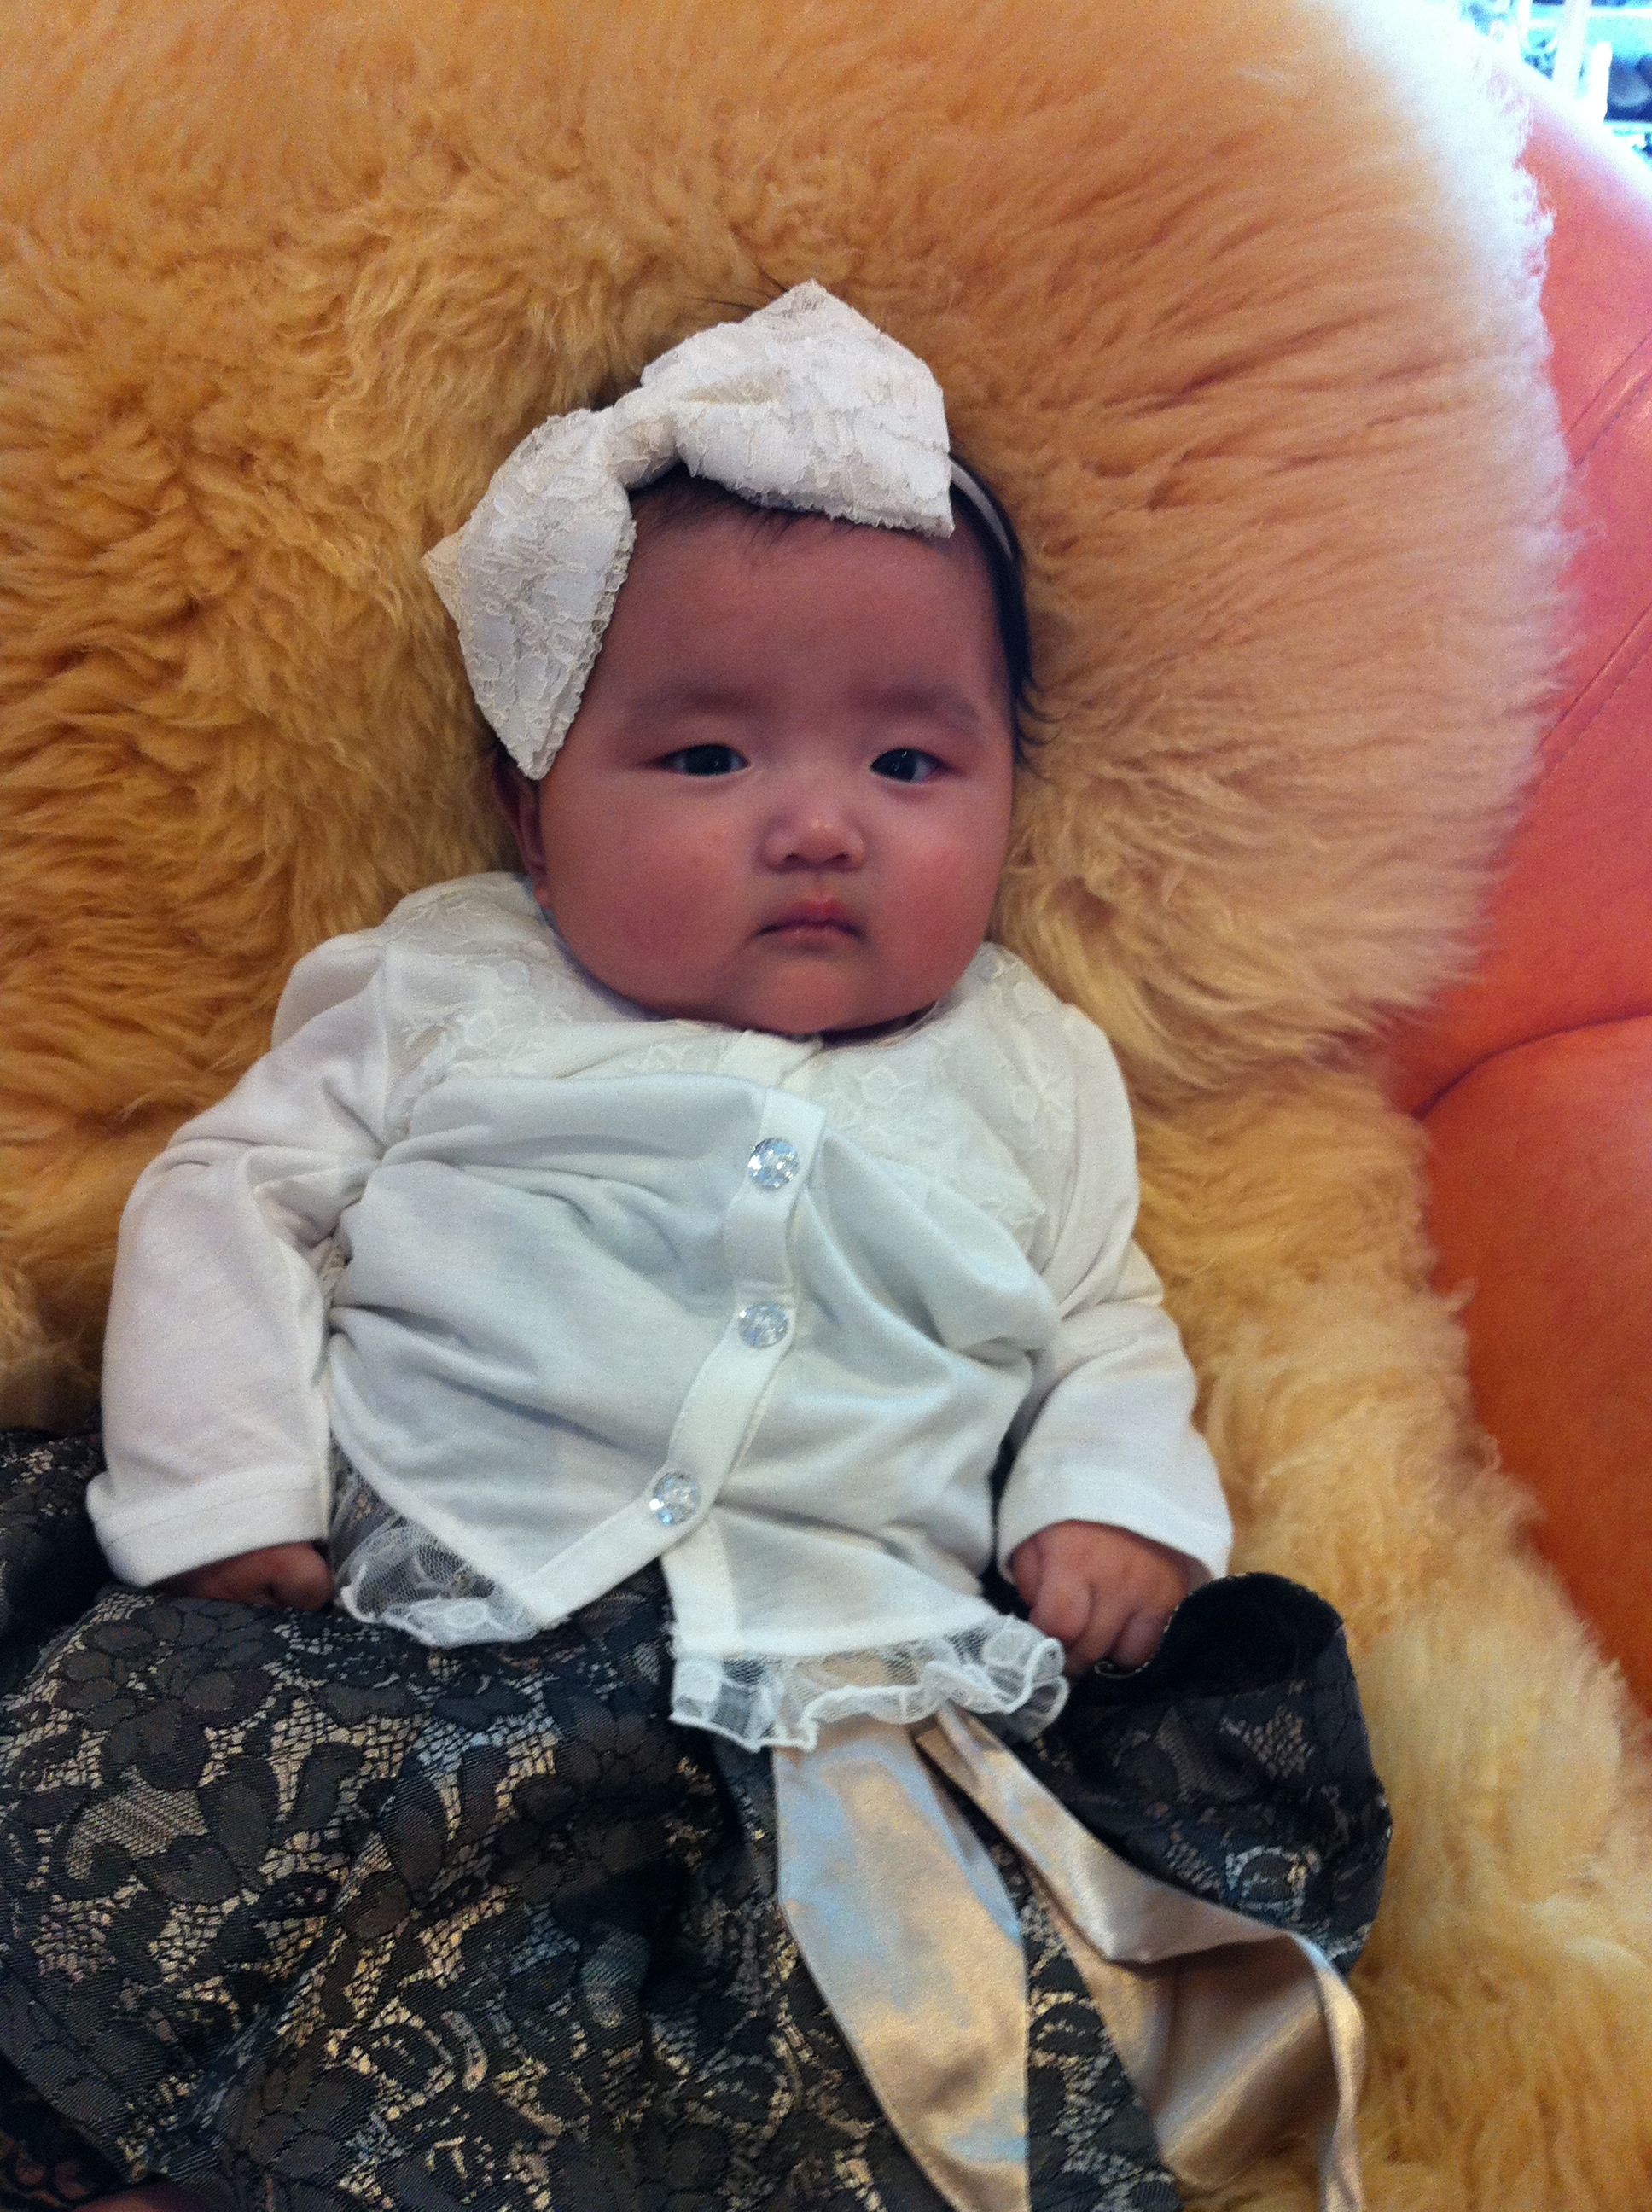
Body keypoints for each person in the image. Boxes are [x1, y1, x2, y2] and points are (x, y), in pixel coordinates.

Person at [0, 286, 1386, 2212]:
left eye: (911, 767)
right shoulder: (447, 978)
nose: (818, 826)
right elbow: (232, 1196)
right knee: (243, 1913)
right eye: (709, 759)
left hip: (837, 1703)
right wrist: (221, 1487)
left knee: (805, 2075)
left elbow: (1096, 1312)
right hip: (419, 1626)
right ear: (533, 810)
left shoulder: (1031, 1062)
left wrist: (1110, 1502)